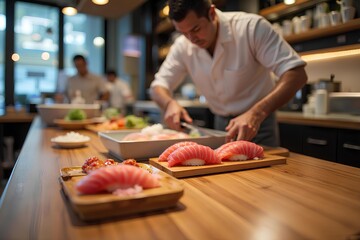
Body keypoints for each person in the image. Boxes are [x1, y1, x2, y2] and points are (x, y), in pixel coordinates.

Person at [150, 0, 308, 147]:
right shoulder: (182, 46)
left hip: (258, 123)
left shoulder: (250, 28)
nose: (191, 39)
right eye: (183, 33)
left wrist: (257, 113)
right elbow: (157, 87)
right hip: (221, 126)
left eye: (196, 29)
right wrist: (169, 104)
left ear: (211, 13)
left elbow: (296, 73)